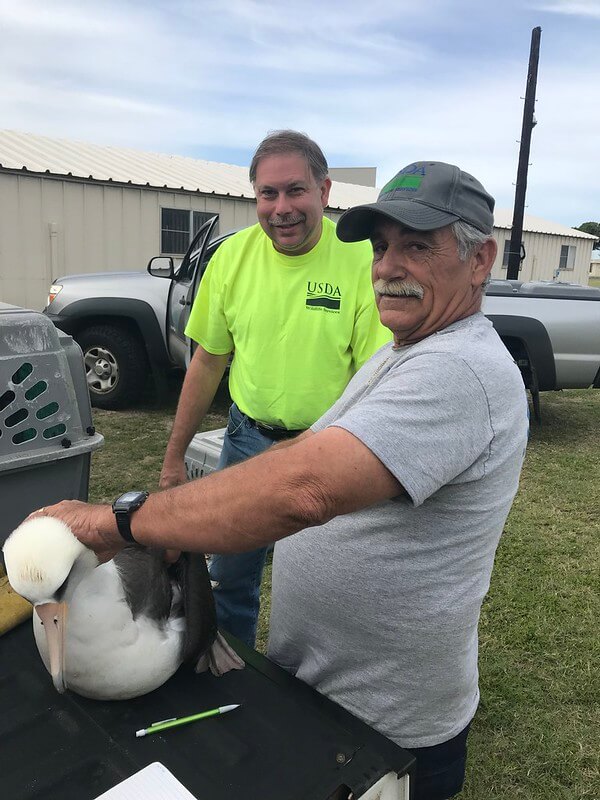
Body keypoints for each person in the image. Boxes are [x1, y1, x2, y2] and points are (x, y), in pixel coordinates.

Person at [39, 160, 529, 800]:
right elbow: (309, 447)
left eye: (417, 246)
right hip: (324, 692)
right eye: (381, 248)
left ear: (481, 259)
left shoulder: (459, 372)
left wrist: (119, 520)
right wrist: (188, 510)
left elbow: (306, 489)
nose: (387, 267)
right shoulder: (404, 350)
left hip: (385, 728)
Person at [159, 130, 389, 648]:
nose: (281, 208)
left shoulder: (361, 260)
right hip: (246, 443)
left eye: (295, 191)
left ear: (325, 191)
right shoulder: (231, 258)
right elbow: (207, 362)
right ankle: (232, 671)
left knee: (321, 588)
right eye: (268, 194)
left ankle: (309, 692)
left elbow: (373, 379)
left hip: (329, 448)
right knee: (231, 577)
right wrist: (174, 459)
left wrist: (325, 458)